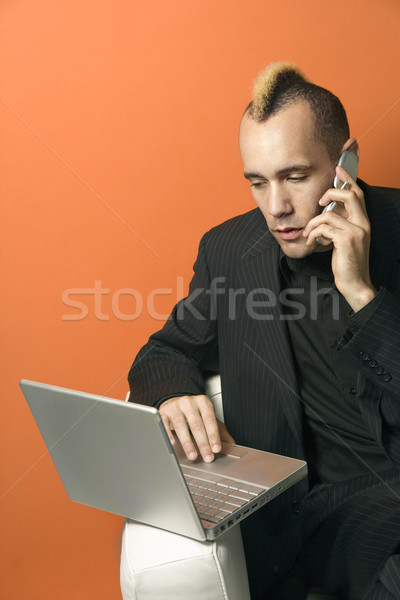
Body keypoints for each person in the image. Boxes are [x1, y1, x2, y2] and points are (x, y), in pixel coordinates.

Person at [128, 63, 400, 599]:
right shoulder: (231, 252)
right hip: (311, 518)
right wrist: (174, 393)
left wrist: (363, 294)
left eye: (295, 177)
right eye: (258, 182)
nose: (276, 208)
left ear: (346, 162)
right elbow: (162, 353)